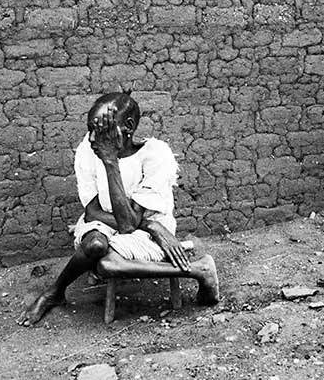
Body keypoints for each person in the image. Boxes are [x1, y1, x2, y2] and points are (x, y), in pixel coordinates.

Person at [22, 92, 219, 326]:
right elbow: (93, 211)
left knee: (106, 264)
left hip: (143, 232)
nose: (93, 137)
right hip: (112, 221)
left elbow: (128, 223)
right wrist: (150, 225)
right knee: (95, 245)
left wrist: (110, 161)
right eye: (91, 129)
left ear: (127, 126)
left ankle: (200, 270)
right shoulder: (88, 149)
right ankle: (55, 292)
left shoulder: (155, 154)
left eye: (102, 128)